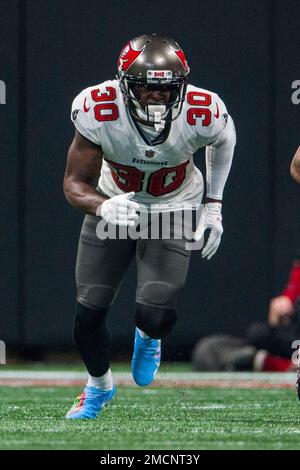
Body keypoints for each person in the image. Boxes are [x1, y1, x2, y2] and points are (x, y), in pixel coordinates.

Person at [63, 33, 236, 419]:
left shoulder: (203, 108)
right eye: (145, 87)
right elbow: (74, 184)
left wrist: (214, 205)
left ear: (182, 85)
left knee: (155, 317)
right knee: (88, 315)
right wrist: (104, 206)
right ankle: (99, 388)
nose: (156, 98)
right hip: (115, 203)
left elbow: (224, 138)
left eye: (167, 89)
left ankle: (149, 337)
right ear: (125, 84)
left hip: (173, 207)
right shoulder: (98, 107)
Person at [192, 249, 300, 373]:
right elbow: (276, 323)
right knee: (257, 333)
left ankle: (269, 363)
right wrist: (279, 311)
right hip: (294, 344)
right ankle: (263, 361)